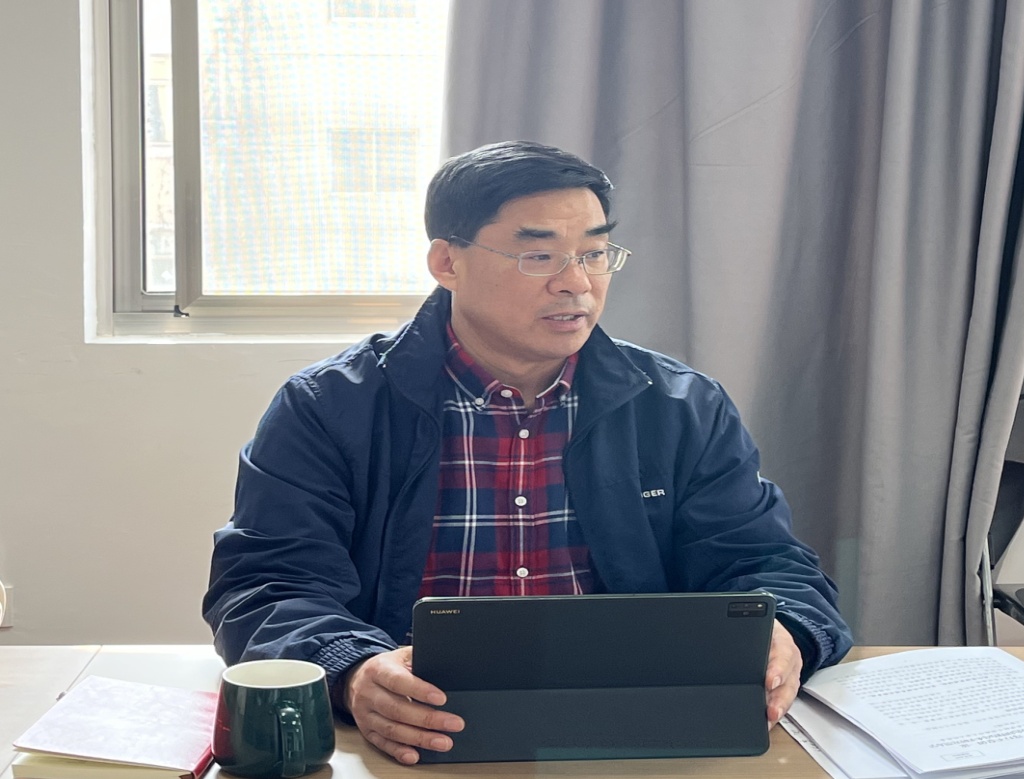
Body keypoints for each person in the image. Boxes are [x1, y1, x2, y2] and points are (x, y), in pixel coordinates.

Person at [203, 140, 853, 765]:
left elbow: (765, 562)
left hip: (635, 728)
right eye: (539, 256)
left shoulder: (681, 406)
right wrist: (352, 669)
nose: (577, 283)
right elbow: (268, 582)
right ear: (446, 262)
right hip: (418, 729)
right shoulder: (329, 407)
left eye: (594, 254)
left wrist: (785, 632)